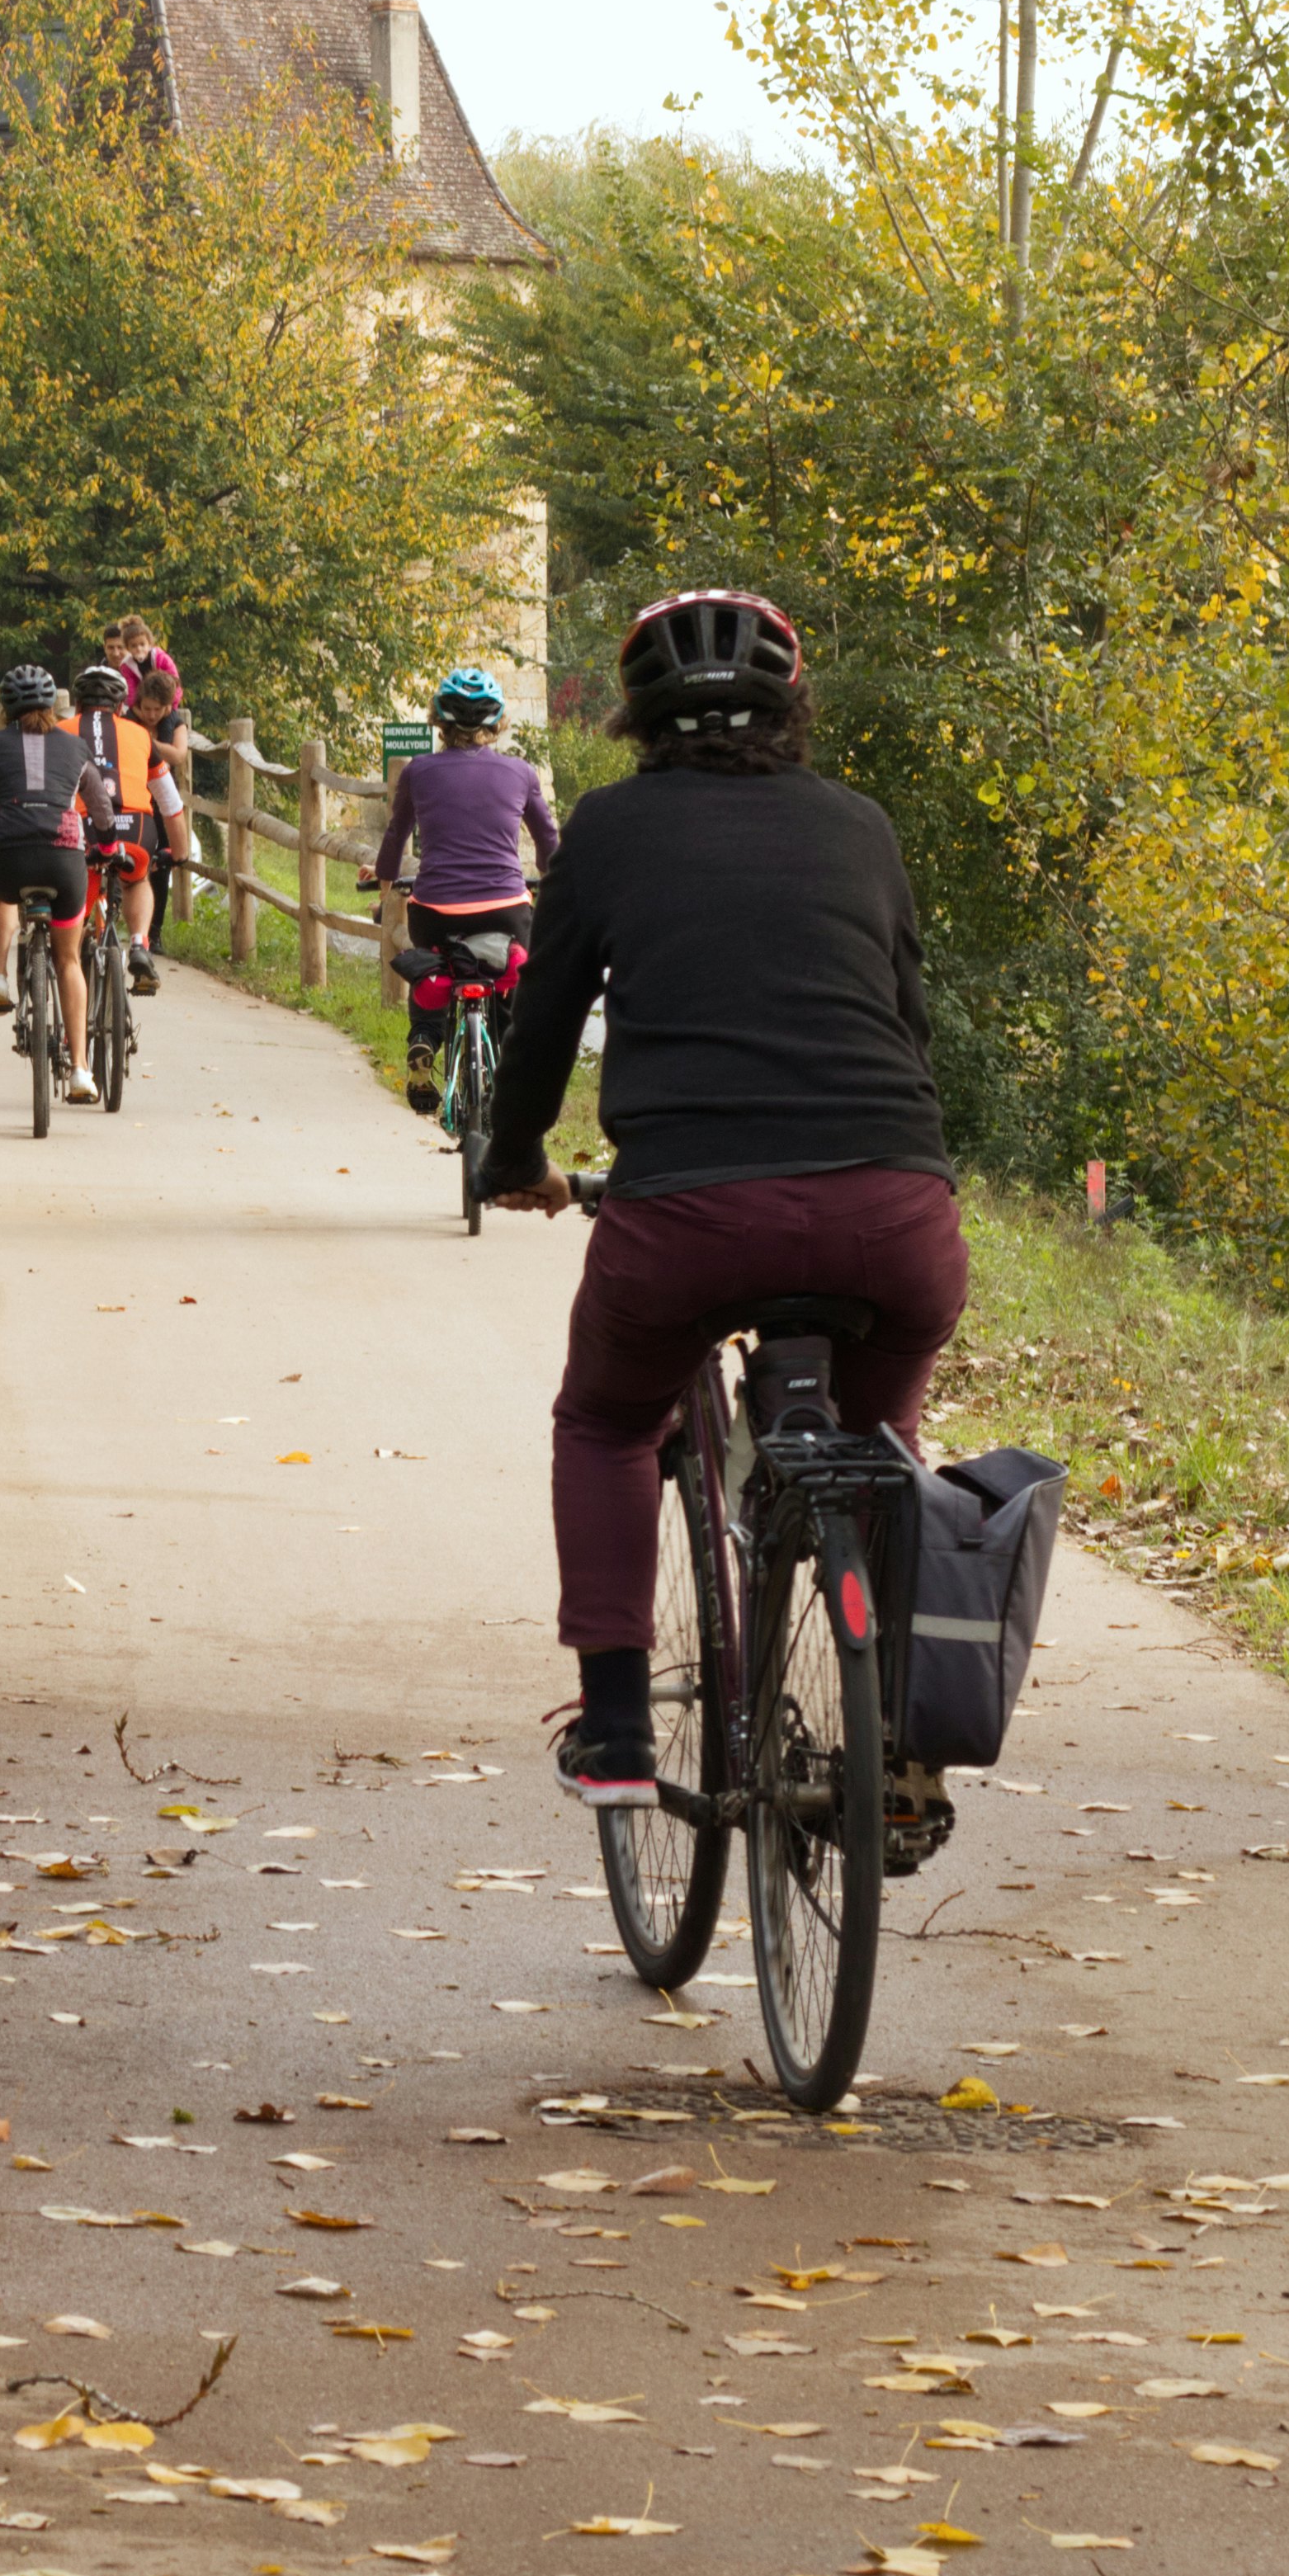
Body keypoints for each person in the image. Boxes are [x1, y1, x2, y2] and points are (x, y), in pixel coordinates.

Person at [475, 587, 967, 1805]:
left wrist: (516, 1156)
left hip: (689, 1220)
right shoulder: (863, 826)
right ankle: (901, 1733)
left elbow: (542, 1024)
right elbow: (907, 1021)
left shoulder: (609, 829)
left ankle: (619, 1728)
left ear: (639, 719)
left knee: (603, 1422)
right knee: (883, 1446)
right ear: (796, 709)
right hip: (895, 1216)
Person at [358, 665, 559, 1116]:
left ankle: (425, 1039)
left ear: (440, 722)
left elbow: (396, 838)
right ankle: (510, 1072)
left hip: (437, 910)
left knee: (431, 966)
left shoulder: (418, 772)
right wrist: (555, 879)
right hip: (506, 908)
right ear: (497, 722)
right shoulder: (522, 773)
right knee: (511, 988)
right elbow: (548, 842)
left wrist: (387, 886)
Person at [0, 662, 117, 1103]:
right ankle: (81, 1070)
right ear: (51, 705)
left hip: (10, 862)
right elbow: (101, 810)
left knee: (0, 896)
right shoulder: (77, 746)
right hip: (65, 865)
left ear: (5, 708)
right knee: (69, 961)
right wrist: (105, 849)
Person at [73, 658, 183, 993]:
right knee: (136, 880)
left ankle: (71, 970)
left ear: (77, 704)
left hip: (86, 830)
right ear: (122, 706)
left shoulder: (61, 732)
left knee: (76, 911)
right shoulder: (141, 736)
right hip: (135, 827)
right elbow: (171, 804)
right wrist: (177, 855)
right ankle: (139, 944)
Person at [107, 620, 196, 958]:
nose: (152, 715)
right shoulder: (129, 717)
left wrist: (145, 744)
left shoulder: (174, 720)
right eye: (146, 710)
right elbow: (165, 752)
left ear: (168, 708)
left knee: (160, 865)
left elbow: (179, 756)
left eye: (158, 711)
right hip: (131, 796)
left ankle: (153, 933)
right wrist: (158, 747)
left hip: (160, 797)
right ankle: (118, 923)